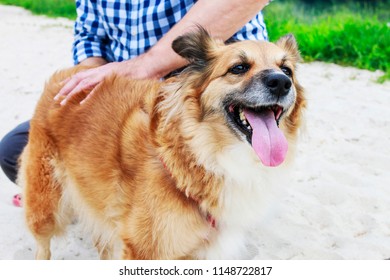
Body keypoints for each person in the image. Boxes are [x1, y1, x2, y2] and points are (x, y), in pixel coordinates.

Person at [0, 0, 271, 206]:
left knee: (174, 169)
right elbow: (90, 41)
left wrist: (145, 67)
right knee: (15, 152)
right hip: (128, 98)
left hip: (211, 91)